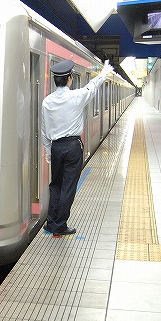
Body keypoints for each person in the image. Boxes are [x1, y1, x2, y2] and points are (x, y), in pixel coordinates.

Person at [41, 59, 114, 236]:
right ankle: (60, 225)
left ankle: (51, 222)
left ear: (55, 80)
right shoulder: (76, 97)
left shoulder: (47, 102)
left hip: (56, 147)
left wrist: (49, 151)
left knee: (55, 185)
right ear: (69, 78)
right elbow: (92, 87)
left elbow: (44, 130)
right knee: (68, 186)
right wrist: (104, 73)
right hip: (73, 147)